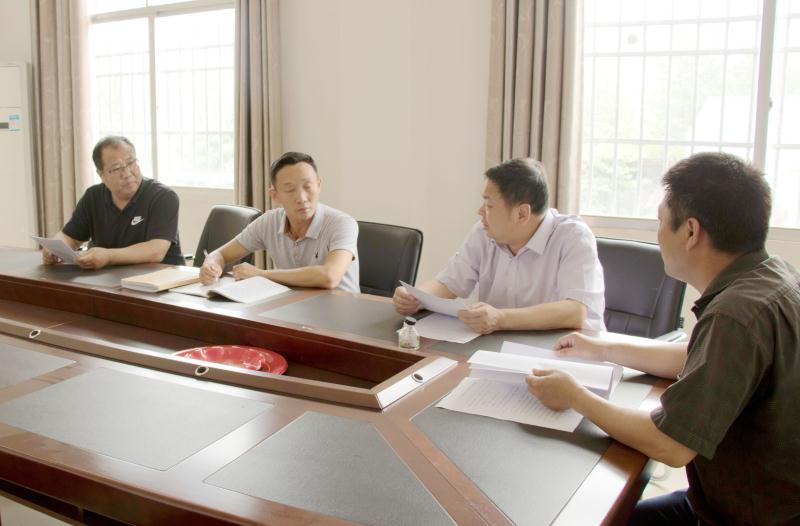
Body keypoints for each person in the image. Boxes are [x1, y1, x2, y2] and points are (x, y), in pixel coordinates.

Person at [526, 153, 800, 525]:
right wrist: (602, 347)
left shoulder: (735, 315)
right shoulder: (772, 276)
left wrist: (574, 396)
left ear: (691, 232)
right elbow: (697, 357)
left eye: (660, 221)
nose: (658, 235)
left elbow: (670, 444)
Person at [393, 158, 605, 334]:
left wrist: (500, 318)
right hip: (498, 347)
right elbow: (449, 284)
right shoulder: (483, 232)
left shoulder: (573, 236)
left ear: (522, 213)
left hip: (565, 352)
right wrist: (415, 296)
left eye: (489, 205)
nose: (480, 211)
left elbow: (575, 311)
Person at [200, 152, 359, 293]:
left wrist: (261, 275)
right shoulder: (269, 221)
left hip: (341, 311)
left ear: (318, 185)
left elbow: (330, 276)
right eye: (290, 190)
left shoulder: (342, 223)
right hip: (292, 307)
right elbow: (219, 254)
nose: (301, 198)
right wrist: (211, 265)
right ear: (274, 195)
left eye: (308, 186)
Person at [41, 136, 184, 269]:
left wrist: (108, 256)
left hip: (160, 277)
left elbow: (156, 251)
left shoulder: (163, 197)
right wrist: (55, 249)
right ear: (101, 174)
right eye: (116, 168)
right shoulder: (93, 196)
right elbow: (70, 237)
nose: (127, 173)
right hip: (109, 278)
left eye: (131, 163)